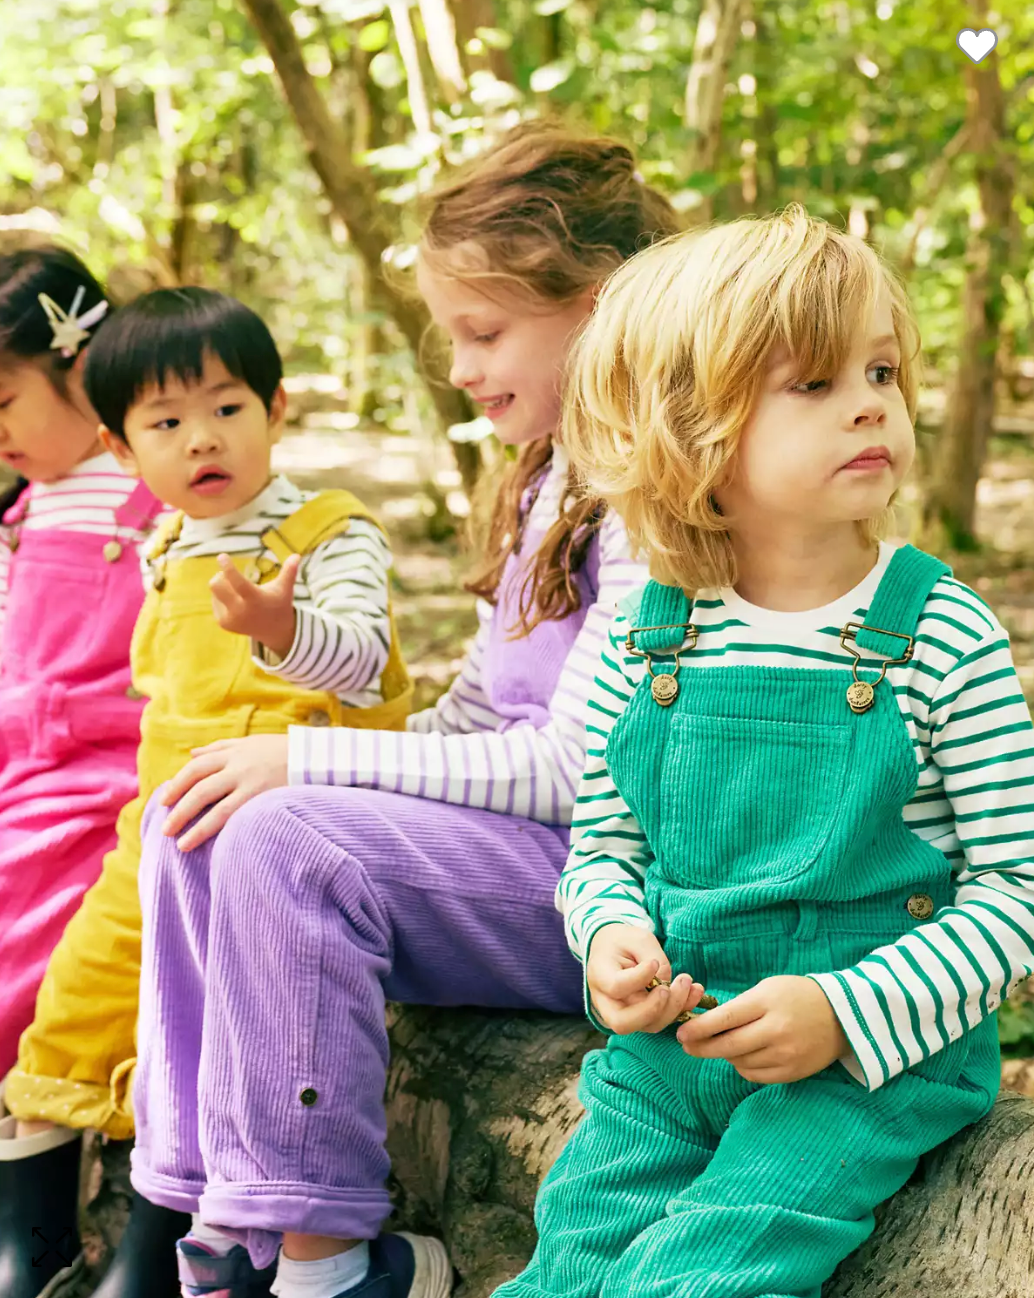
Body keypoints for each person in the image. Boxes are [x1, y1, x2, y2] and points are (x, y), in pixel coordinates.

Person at [120, 124, 678, 1298]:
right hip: (517, 849)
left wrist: (311, 766)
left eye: (484, 332)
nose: (461, 368)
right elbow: (479, 710)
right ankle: (211, 1210)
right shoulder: (545, 477)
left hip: (604, 882)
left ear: (602, 305)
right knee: (203, 803)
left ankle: (329, 1262)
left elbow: (578, 769)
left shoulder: (653, 496)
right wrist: (306, 758)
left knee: (285, 829)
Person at [492, 206, 1034, 1298]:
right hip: (672, 1051)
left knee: (704, 1266)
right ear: (688, 431)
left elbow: (1015, 888)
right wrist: (609, 944)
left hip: (866, 1061)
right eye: (814, 383)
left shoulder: (935, 632)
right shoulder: (650, 634)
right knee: (571, 1255)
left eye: (879, 369)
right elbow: (600, 844)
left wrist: (842, 1011)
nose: (869, 402)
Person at [1, 286, 412, 1298]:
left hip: (278, 822)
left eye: (226, 407)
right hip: (161, 820)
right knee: (72, 1001)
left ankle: (159, 1247)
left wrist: (286, 629)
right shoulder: (167, 546)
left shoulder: (327, 531)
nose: (201, 440)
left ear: (276, 411)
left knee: (192, 1034)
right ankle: (35, 1241)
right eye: (166, 423)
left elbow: (362, 663)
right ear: (124, 445)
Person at [0, 245, 164, 1298]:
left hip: (101, 769)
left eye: (6, 397)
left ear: (78, 364)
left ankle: (46, 1192)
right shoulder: (28, 505)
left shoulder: (149, 494)